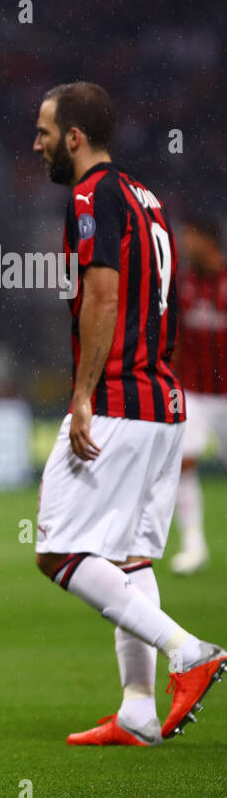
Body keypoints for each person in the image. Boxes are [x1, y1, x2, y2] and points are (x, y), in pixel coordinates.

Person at [30, 81, 225, 746]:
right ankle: (139, 711)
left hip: (118, 399)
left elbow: (104, 297)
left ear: (75, 138)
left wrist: (83, 395)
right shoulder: (147, 198)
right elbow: (160, 303)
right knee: (132, 559)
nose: (37, 144)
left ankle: (189, 651)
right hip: (163, 401)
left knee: (58, 550)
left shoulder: (92, 197)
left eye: (45, 132)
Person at [168, 214, 227, 574]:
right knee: (182, 462)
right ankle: (193, 545)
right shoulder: (184, 284)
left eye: (191, 237)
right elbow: (175, 338)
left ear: (209, 239)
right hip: (195, 392)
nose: (186, 245)